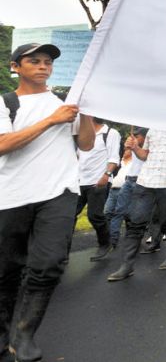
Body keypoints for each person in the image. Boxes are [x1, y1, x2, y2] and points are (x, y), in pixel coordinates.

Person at [0, 43, 95, 361]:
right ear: (16, 66)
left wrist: (86, 112)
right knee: (7, 269)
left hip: (59, 192)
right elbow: (3, 145)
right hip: (12, 195)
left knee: (50, 263)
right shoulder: (6, 102)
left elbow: (86, 142)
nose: (43, 66)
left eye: (48, 62)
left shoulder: (64, 103)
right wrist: (51, 121)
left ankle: (24, 334)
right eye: (34, 61)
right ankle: (3, 334)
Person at [107, 129, 166, 281]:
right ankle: (127, 266)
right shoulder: (153, 127)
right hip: (145, 181)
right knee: (136, 221)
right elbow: (145, 155)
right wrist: (135, 147)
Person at [76, 117, 121, 261]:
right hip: (78, 181)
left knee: (94, 215)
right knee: (69, 215)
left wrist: (106, 175)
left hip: (98, 181)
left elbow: (114, 157)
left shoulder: (110, 133)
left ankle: (105, 243)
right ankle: (62, 250)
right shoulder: (80, 132)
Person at [103, 134, 146, 255]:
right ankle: (111, 240)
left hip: (130, 187)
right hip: (114, 189)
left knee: (128, 215)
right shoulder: (122, 161)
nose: (126, 151)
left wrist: (134, 146)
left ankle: (130, 241)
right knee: (109, 213)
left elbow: (139, 151)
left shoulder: (136, 158)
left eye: (128, 150)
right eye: (125, 150)